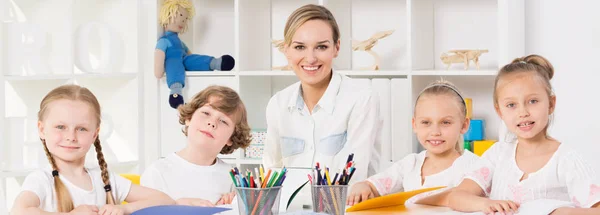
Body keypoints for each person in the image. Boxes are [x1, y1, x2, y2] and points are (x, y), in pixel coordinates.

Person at [448, 55, 600, 214]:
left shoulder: (567, 160)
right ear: (500, 111)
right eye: (511, 105)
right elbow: (457, 197)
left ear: (551, 104)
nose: (523, 112)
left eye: (533, 101)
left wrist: (559, 212)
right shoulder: (497, 155)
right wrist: (485, 204)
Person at [262, 4, 380, 185]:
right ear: (287, 50)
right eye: (300, 47)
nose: (310, 58)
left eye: (321, 47)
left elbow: (354, 177)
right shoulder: (278, 104)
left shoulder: (361, 98)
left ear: (336, 48)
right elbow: (270, 174)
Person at [11, 84, 174, 215]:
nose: (71, 136)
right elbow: (19, 211)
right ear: (42, 129)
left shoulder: (105, 180)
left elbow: (164, 200)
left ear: (94, 134)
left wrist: (124, 209)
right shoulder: (41, 180)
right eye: (61, 127)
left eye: (81, 129)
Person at [346, 80, 480, 206]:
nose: (435, 131)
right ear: (414, 125)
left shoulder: (473, 167)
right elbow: (373, 186)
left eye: (445, 122)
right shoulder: (409, 165)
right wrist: (362, 186)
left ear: (464, 125)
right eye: (426, 122)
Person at [141, 85, 252, 207]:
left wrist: (230, 206)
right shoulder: (158, 172)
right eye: (206, 113)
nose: (212, 123)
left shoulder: (234, 177)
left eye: (223, 121)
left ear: (231, 138)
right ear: (189, 118)